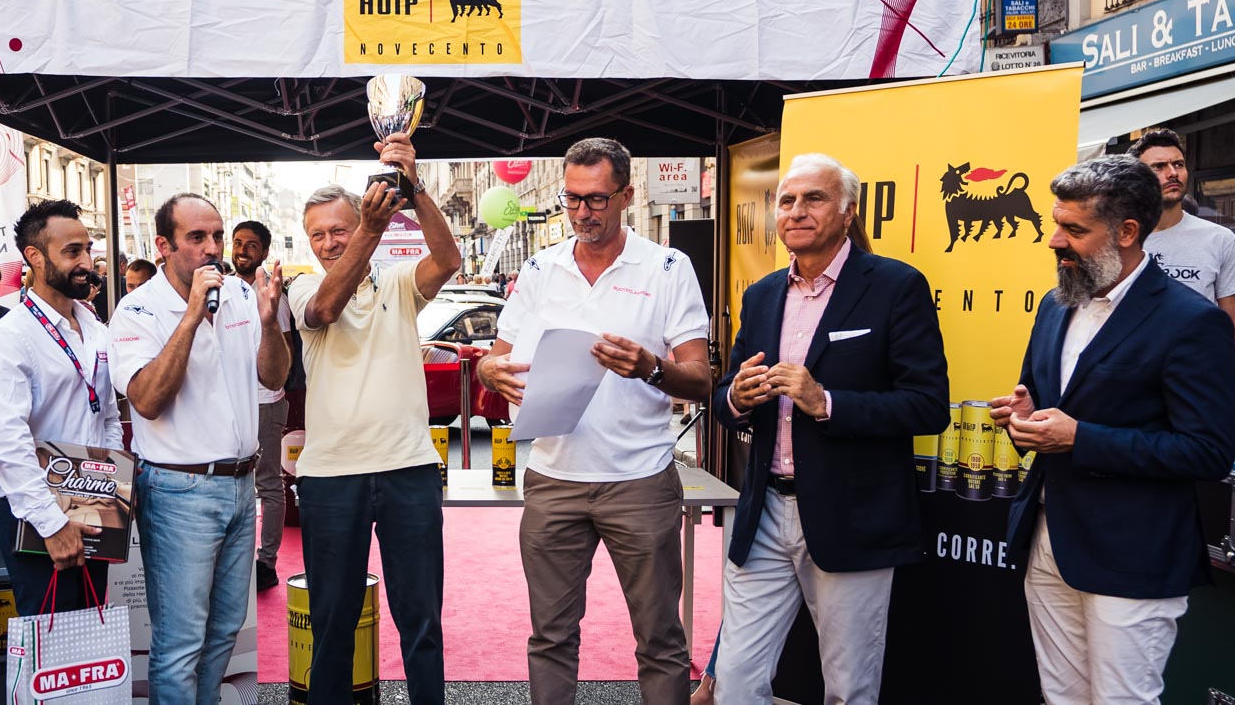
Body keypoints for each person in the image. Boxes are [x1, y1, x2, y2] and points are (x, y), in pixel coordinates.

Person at [477, 138, 715, 705]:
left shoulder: (667, 267)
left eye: (596, 199)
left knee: (660, 639)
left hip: (640, 480)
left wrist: (650, 367)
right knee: (550, 637)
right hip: (553, 479)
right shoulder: (540, 267)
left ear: (627, 196)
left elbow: (701, 379)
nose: (582, 212)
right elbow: (494, 357)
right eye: (572, 198)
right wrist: (490, 372)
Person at [993, 156, 1235, 703]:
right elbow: (1047, 406)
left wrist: (1079, 437)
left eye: (1074, 229)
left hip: (1134, 555)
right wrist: (1025, 417)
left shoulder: (1192, 322)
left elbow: (1208, 452)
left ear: (1127, 232)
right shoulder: (1055, 305)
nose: (1055, 241)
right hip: (1047, 541)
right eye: (1056, 224)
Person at [704, 153, 948, 705]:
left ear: (848, 211)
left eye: (814, 198)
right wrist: (737, 398)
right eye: (787, 200)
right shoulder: (763, 294)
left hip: (851, 515)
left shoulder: (895, 286)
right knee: (735, 682)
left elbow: (928, 406)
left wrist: (827, 403)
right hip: (764, 511)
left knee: (848, 687)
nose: (796, 211)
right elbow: (724, 397)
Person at [288, 133, 463, 704]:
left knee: (422, 622)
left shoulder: (397, 280)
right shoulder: (303, 286)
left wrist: (415, 187)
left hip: (408, 468)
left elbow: (449, 260)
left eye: (339, 229)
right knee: (332, 626)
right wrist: (370, 227)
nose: (329, 242)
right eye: (318, 234)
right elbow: (325, 309)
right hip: (330, 477)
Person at [110, 192, 289, 705]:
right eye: (196, 237)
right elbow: (146, 400)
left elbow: (274, 378)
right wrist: (190, 316)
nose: (212, 248)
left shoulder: (239, 294)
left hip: (241, 485)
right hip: (178, 490)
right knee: (180, 641)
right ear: (163, 245)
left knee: (225, 629)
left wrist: (269, 323)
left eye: (216, 236)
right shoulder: (138, 308)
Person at [0, 199, 119, 616]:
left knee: (90, 632)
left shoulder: (93, 328)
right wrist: (51, 523)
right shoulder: (11, 337)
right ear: (34, 257)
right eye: (72, 252)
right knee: (50, 639)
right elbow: (5, 442)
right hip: (35, 509)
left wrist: (109, 484)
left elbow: (107, 414)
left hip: (93, 501)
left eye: (87, 249)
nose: (86, 262)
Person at [1128, 128, 1235, 373]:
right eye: (1159, 167)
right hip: (1131, 376)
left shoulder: (1220, 240)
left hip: (1196, 374)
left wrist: (1228, 382)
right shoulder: (1120, 238)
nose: (1172, 173)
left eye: (1178, 164)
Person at [232, 219, 298, 593]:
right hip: (230, 403)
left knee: (268, 484)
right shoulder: (222, 291)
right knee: (232, 482)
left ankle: (266, 562)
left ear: (264, 252)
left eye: (251, 245)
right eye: (237, 242)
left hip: (265, 403)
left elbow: (286, 351)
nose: (242, 250)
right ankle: (235, 562)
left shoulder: (275, 297)